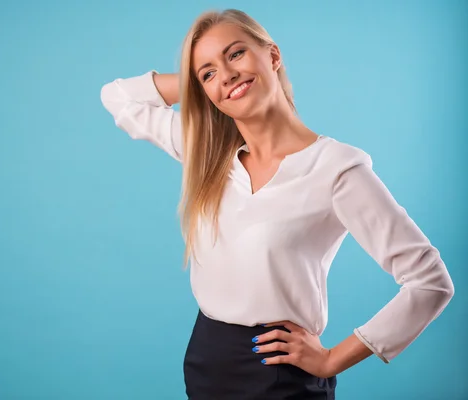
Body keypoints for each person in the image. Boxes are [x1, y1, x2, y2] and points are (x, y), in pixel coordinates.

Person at [100, 8, 454, 400]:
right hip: (206, 361)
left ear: (272, 56)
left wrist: (332, 359)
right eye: (208, 72)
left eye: (235, 54)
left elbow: (430, 282)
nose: (227, 74)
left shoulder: (335, 168)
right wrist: (202, 83)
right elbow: (117, 97)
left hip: (279, 374)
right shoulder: (208, 155)